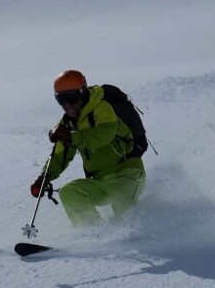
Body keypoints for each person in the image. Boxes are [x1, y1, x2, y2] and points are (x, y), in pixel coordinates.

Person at [30, 70, 146, 226]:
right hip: (99, 181)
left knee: (123, 212)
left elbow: (105, 134)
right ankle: (94, 235)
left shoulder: (102, 108)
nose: (66, 105)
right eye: (61, 100)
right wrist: (45, 176)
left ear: (83, 93)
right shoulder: (68, 122)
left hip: (128, 174)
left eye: (71, 98)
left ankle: (136, 244)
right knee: (70, 192)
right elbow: (59, 155)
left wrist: (71, 137)